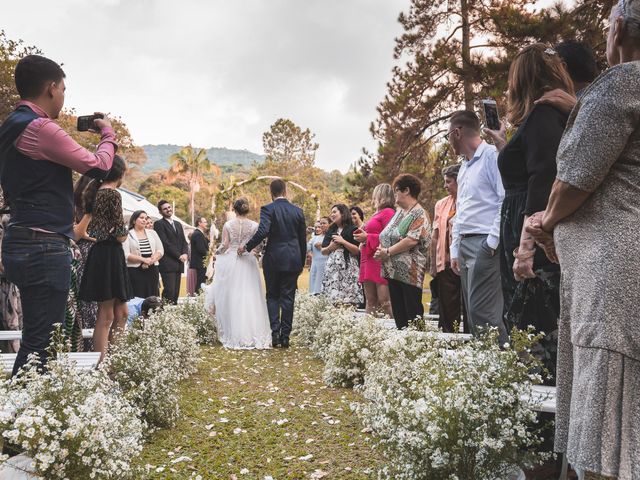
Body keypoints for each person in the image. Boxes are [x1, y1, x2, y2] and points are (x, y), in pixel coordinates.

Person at [526, 2, 640, 476]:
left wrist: (545, 222)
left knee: (605, 400)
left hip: (610, 269)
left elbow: (573, 177)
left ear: (619, 29)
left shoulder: (622, 82)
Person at [0, 54, 116, 376]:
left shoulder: (9, 127)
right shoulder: (41, 128)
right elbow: (99, 165)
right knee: (43, 340)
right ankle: (23, 413)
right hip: (44, 244)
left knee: (35, 336)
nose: (64, 97)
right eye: (63, 89)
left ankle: (28, 407)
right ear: (52, 88)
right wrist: (108, 134)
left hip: (19, 239)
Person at [485, 43, 573, 383]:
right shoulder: (551, 113)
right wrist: (504, 143)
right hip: (521, 218)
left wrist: (526, 249)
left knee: (532, 319)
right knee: (526, 318)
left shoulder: (543, 113)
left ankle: (539, 405)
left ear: (522, 78)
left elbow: (541, 179)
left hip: (528, 226)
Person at [446, 110, 508, 344]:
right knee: (472, 313)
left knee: (485, 311)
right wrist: (455, 249)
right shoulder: (464, 167)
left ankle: (502, 366)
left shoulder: (492, 156)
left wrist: (491, 243)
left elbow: (504, 199)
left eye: (448, 135)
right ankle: (482, 368)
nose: (449, 140)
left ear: (457, 132)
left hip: (485, 241)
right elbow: (461, 212)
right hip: (465, 244)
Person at [240, 180, 306, 348]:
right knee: (288, 297)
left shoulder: (268, 209)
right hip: (293, 259)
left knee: (272, 296)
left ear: (271, 192)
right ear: (285, 190)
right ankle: (286, 337)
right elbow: (302, 240)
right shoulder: (298, 211)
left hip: (274, 259)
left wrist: (247, 246)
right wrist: (301, 261)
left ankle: (274, 333)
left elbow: (263, 231)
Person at [78, 155, 131, 361]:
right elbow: (120, 234)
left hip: (104, 253)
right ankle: (103, 366)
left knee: (122, 313)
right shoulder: (112, 194)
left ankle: (114, 361)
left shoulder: (97, 191)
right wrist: (123, 233)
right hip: (108, 253)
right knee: (107, 315)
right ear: (121, 173)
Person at [205, 198, 272, 349]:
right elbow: (260, 245)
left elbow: (225, 245)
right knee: (251, 295)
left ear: (234, 210)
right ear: (247, 210)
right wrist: (254, 251)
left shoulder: (228, 225)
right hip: (248, 261)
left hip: (232, 262)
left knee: (233, 296)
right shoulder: (255, 225)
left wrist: (217, 252)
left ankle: (234, 332)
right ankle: (253, 333)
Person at [375, 174, 430, 329]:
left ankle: (419, 347)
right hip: (392, 271)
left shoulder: (419, 214)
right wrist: (381, 249)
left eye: (396, 190)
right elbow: (387, 234)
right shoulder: (399, 212)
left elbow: (411, 240)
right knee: (400, 316)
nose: (395, 194)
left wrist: (387, 251)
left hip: (410, 272)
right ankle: (403, 349)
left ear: (406, 190)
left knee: (412, 314)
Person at [430, 165, 465, 333]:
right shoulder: (441, 204)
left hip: (466, 260)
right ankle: (448, 342)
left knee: (469, 305)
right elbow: (435, 235)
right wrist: (433, 265)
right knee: (447, 308)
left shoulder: (469, 200)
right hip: (445, 262)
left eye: (448, 182)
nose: (445, 186)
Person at [353, 183, 395, 316]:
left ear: (382, 195)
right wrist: (363, 240)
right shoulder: (376, 213)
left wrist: (368, 237)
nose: (373, 197)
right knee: (370, 300)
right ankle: (369, 333)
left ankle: (397, 330)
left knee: (385, 301)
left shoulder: (389, 212)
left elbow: (391, 237)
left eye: (376, 194)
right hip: (368, 258)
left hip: (379, 260)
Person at [534, 40, 600, 115]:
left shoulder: (558, 106)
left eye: (552, 67)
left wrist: (575, 110)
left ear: (563, 67)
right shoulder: (604, 94)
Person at [321, 204, 363, 306]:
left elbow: (357, 251)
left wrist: (343, 241)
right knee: (333, 299)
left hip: (348, 267)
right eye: (331, 212)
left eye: (335, 212)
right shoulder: (331, 230)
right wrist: (330, 247)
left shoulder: (353, 229)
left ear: (343, 213)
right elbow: (323, 251)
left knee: (349, 300)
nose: (332, 214)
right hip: (333, 268)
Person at [122, 210, 164, 298]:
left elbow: (160, 250)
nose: (144, 220)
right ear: (134, 221)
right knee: (138, 296)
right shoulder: (128, 234)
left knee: (153, 297)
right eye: (141, 218)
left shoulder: (153, 233)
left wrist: (151, 260)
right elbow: (126, 254)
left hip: (152, 269)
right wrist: (143, 260)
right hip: (135, 270)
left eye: (145, 218)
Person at [154, 200, 188, 304]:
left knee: (176, 292)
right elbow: (165, 243)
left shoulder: (178, 224)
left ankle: (173, 315)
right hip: (167, 263)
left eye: (169, 207)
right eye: (165, 208)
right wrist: (179, 256)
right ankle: (164, 313)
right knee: (169, 291)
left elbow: (184, 241)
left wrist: (185, 253)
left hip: (179, 263)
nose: (168, 209)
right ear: (160, 212)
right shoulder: (159, 224)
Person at [307, 217, 329, 295]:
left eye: (320, 226)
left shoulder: (329, 237)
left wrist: (321, 246)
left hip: (326, 265)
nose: (318, 228)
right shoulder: (314, 238)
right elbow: (307, 249)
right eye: (316, 227)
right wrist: (307, 234)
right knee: (314, 287)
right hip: (315, 265)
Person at [190, 216, 210, 292]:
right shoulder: (198, 234)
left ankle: (200, 296)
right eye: (204, 222)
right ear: (199, 223)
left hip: (202, 261)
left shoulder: (200, 233)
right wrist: (210, 255)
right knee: (201, 282)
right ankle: (198, 297)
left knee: (202, 280)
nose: (206, 223)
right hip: (200, 261)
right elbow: (201, 249)